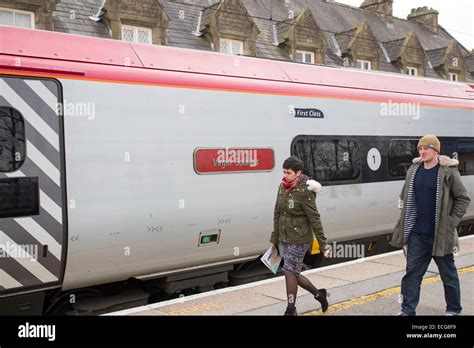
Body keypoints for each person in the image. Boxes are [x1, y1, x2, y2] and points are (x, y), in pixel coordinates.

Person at [391, 135, 470, 316]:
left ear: (436, 151)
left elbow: (463, 199)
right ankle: (407, 311)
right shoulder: (414, 170)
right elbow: (406, 197)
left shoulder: (448, 172)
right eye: (420, 149)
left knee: (448, 275)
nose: (423, 152)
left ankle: (453, 309)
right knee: (412, 275)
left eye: (427, 149)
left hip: (439, 234)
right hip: (417, 234)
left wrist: (450, 223)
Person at [270, 156, 331, 316]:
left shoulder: (305, 191)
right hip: (284, 237)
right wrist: (274, 238)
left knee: (288, 271)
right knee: (293, 272)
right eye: (283, 172)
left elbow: (314, 218)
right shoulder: (282, 187)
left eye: (288, 173)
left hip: (300, 238)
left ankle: (291, 309)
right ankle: (319, 294)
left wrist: (323, 244)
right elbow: (277, 213)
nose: (285, 175)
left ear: (298, 173)